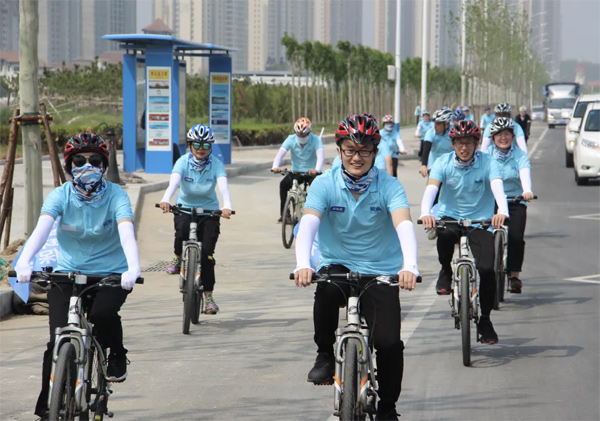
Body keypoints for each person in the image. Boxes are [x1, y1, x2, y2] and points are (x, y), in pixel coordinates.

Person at [294, 114, 419, 420]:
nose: (356, 157)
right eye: (350, 149)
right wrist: (302, 264)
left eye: (364, 150)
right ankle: (325, 354)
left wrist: (410, 265)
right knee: (325, 290)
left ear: (375, 152)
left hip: (380, 270)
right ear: (339, 150)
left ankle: (388, 407)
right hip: (337, 263)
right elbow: (308, 223)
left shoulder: (389, 186)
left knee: (388, 343)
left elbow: (403, 224)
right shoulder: (325, 183)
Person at [14, 133, 141, 418]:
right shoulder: (60, 195)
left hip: (110, 274)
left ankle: (116, 353)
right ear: (69, 165)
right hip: (67, 273)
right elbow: (41, 230)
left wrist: (132, 267)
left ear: (104, 165)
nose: (87, 166)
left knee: (102, 315)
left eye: (94, 160)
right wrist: (25, 261)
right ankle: (48, 409)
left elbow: (126, 232)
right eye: (79, 161)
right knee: (56, 342)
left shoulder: (116, 195)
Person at [420, 120, 508, 344]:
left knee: (487, 269)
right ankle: (445, 270)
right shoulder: (443, 162)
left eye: (468, 142)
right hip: (450, 216)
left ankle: (485, 320)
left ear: (476, 143)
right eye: (459, 142)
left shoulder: (488, 162)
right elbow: (431, 188)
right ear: (453, 144)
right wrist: (425, 213)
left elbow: (497, 187)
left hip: (480, 222)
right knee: (444, 234)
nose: (464, 147)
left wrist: (502, 211)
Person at [160, 124, 233, 315]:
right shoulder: (182, 162)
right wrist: (166, 199)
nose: (201, 149)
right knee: (181, 233)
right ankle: (178, 257)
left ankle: (208, 298)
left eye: (206, 145)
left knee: (207, 255)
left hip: (209, 211)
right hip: (185, 207)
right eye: (197, 144)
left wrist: (227, 205)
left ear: (211, 147)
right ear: (190, 145)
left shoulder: (216, 164)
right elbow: (173, 183)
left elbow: (223, 187)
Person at [486, 117, 535, 293]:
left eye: (506, 134)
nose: (503, 138)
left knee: (516, 237)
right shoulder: (485, 156)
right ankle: (487, 270)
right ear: (493, 138)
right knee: (484, 236)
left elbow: (524, 173)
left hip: (515, 200)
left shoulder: (520, 155)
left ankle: (514, 275)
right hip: (491, 201)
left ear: (512, 136)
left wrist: (527, 190)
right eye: (499, 134)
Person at [272, 117, 324, 222]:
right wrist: (275, 166)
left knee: (320, 189)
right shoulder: (291, 139)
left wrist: (317, 170)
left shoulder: (316, 140)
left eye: (304, 135)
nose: (301, 137)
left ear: (309, 132)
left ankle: (319, 214)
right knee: (283, 185)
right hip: (296, 171)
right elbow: (280, 154)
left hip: (311, 172)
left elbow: (320, 157)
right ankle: (285, 215)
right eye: (299, 135)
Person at [419, 108, 453, 178]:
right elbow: (426, 150)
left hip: (451, 166)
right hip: (434, 166)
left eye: (438, 124)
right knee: (433, 185)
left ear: (446, 125)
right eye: (435, 122)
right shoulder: (431, 132)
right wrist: (424, 165)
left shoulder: (453, 132)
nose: (435, 126)